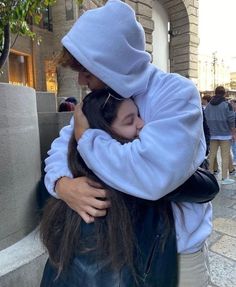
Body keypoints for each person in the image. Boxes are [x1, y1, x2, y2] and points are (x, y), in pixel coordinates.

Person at [44, 1, 212, 286]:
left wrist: (87, 139)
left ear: (111, 61)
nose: (81, 79)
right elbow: (60, 149)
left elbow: (153, 171)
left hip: (177, 250)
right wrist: (63, 185)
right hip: (117, 250)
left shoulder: (175, 94)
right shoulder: (98, 100)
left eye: (86, 70)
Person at [40, 88, 218, 287]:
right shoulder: (108, 185)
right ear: (105, 134)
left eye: (138, 115)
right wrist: (62, 184)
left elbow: (207, 186)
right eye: (129, 121)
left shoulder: (101, 167)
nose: (142, 124)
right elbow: (207, 188)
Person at [205, 86, 236, 184]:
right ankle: (224, 178)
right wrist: (233, 133)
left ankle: (209, 176)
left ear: (215, 92)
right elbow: (231, 120)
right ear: (224, 93)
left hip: (213, 134)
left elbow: (205, 118)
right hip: (225, 134)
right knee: (225, 155)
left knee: (212, 155)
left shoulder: (209, 105)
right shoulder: (226, 105)